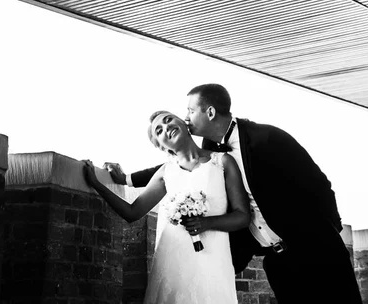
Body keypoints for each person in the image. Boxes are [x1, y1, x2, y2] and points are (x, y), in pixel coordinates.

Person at [107, 84, 363, 304]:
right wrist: (127, 179)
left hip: (316, 251)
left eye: (190, 111)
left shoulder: (267, 138)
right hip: (278, 262)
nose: (186, 117)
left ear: (209, 112)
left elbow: (318, 184)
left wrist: (327, 237)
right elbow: (182, 164)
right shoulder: (212, 150)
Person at [82, 110, 250, 304]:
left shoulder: (222, 161)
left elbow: (243, 216)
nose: (167, 127)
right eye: (159, 131)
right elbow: (132, 212)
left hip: (212, 259)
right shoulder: (166, 172)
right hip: (172, 261)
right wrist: (96, 184)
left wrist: (206, 223)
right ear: (162, 147)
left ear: (183, 123)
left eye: (168, 120)